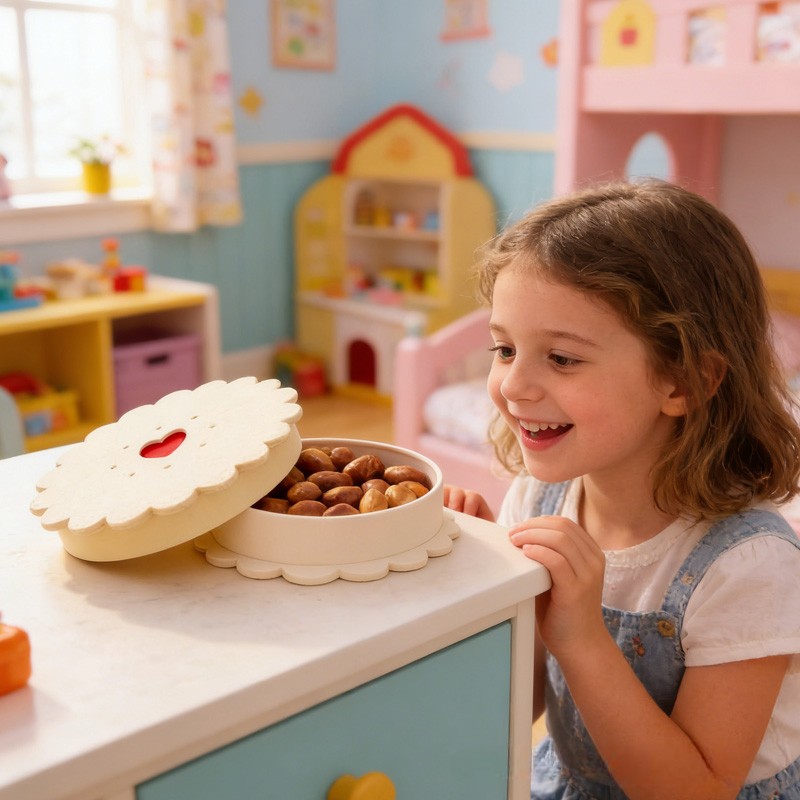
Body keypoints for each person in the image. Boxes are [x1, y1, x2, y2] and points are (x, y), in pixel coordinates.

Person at [445, 180, 800, 799]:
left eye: (562, 359)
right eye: (504, 348)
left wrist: (582, 636)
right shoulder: (537, 499)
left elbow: (697, 792)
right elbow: (523, 700)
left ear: (683, 381)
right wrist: (477, 586)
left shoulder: (748, 566)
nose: (513, 386)